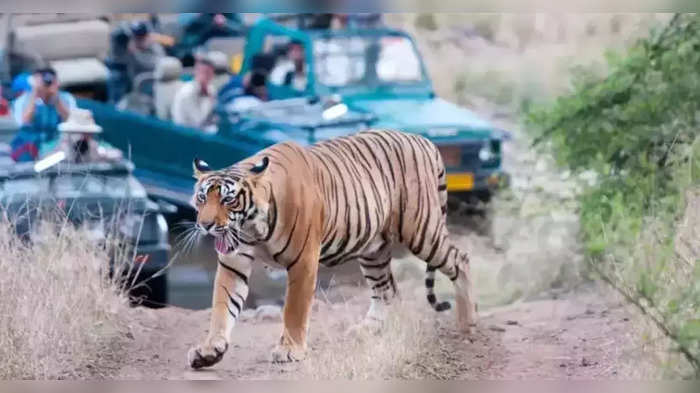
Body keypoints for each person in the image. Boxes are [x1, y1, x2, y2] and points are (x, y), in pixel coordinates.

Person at [10, 67, 76, 162]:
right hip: (29, 145)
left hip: (55, 144)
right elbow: (24, 121)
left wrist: (56, 98)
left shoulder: (66, 98)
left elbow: (71, 121)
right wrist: (35, 92)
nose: (46, 83)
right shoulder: (23, 100)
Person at [47, 108, 122, 163]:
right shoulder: (56, 148)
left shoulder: (96, 147)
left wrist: (101, 154)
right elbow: (41, 166)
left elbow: (117, 155)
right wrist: (63, 156)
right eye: (77, 133)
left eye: (87, 133)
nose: (83, 137)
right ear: (68, 133)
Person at [171, 51, 218, 131]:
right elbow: (198, 122)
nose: (207, 76)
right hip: (185, 133)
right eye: (204, 72)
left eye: (210, 73)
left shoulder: (211, 89)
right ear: (196, 72)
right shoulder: (187, 92)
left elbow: (214, 116)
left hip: (200, 131)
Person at [127, 21, 165, 94]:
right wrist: (136, 52)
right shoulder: (131, 48)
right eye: (136, 37)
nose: (139, 39)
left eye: (141, 37)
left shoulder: (154, 45)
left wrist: (148, 48)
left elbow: (161, 63)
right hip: (138, 86)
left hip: (155, 83)